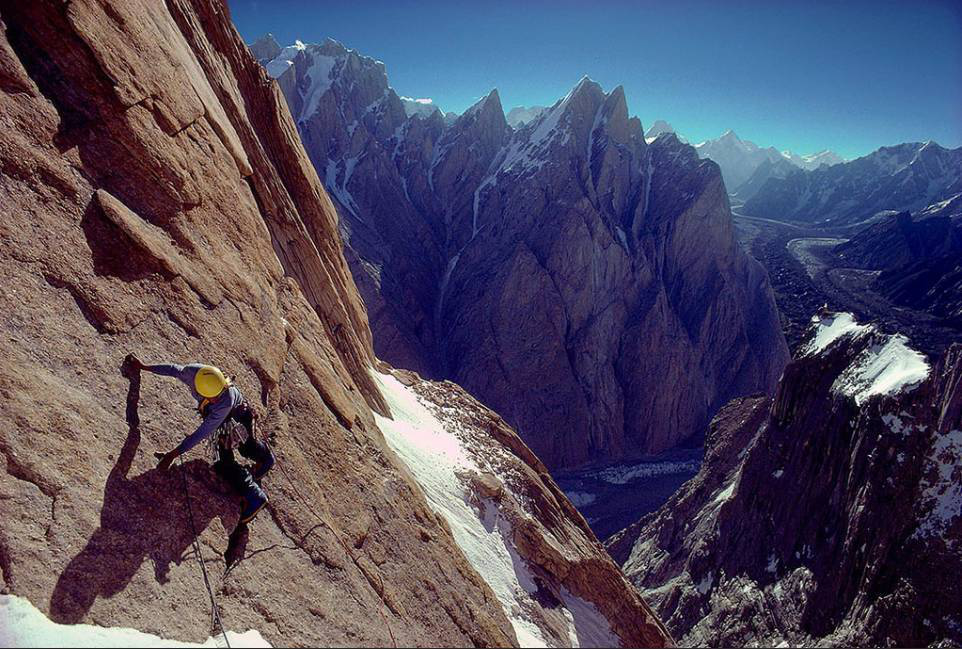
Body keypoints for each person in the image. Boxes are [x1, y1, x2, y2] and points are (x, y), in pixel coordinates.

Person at [125, 355, 274, 524]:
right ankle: (265, 459)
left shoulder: (223, 402)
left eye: (216, 396)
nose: (214, 399)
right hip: (229, 417)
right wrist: (145, 367)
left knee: (227, 460)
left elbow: (201, 433)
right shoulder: (193, 373)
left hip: (236, 416)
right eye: (211, 398)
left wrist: (173, 454)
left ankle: (255, 496)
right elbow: (173, 369)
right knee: (243, 448)